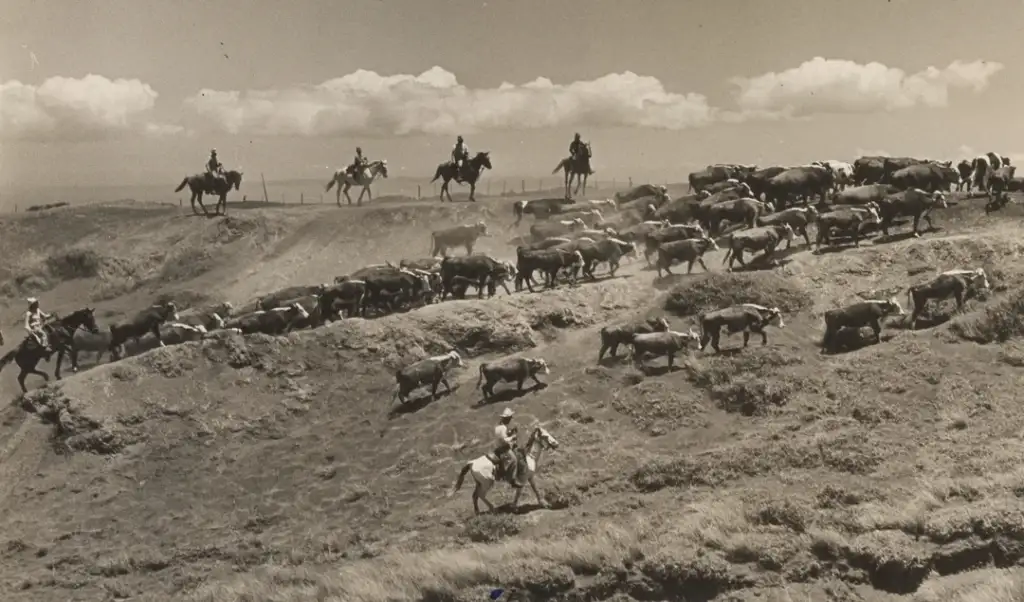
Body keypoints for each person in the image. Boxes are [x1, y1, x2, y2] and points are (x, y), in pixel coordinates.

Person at [493, 408, 525, 487]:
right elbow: (505, 439)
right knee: (514, 460)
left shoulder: (498, 427)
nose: (510, 420)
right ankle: (512, 480)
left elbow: (501, 436)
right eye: (510, 418)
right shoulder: (503, 428)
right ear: (507, 419)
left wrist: (510, 433)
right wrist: (513, 437)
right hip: (503, 448)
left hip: (497, 447)